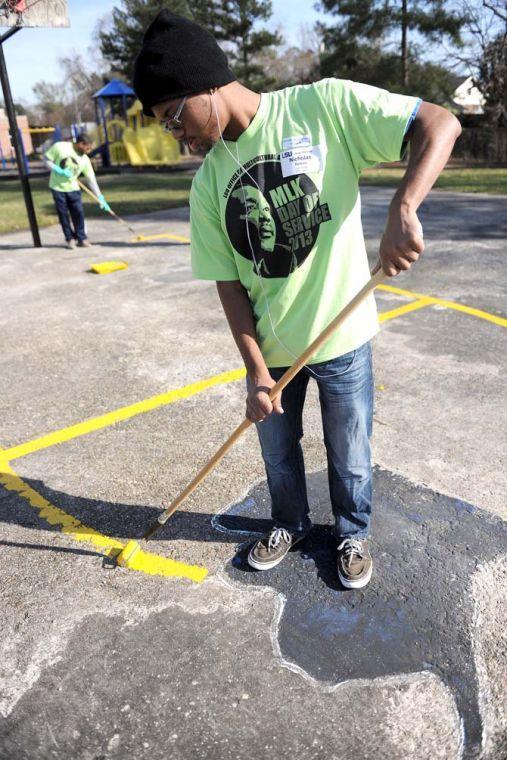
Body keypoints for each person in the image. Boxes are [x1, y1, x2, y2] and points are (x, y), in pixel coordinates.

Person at [133, 10, 461, 589]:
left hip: (344, 335)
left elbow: (439, 122)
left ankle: (353, 531)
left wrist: (403, 206)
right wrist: (256, 372)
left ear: (205, 84)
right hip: (274, 351)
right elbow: (229, 286)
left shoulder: (322, 106)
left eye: (172, 116)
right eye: (165, 124)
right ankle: (288, 522)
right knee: (279, 460)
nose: (175, 133)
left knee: (349, 450)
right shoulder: (208, 182)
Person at [44, 133, 111, 249]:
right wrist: (58, 170)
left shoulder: (85, 160)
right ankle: (70, 239)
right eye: (87, 148)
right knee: (63, 215)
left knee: (78, 213)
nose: (89, 151)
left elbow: (91, 180)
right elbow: (46, 160)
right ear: (80, 144)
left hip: (74, 189)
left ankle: (82, 238)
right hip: (57, 187)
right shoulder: (60, 147)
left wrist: (100, 197)